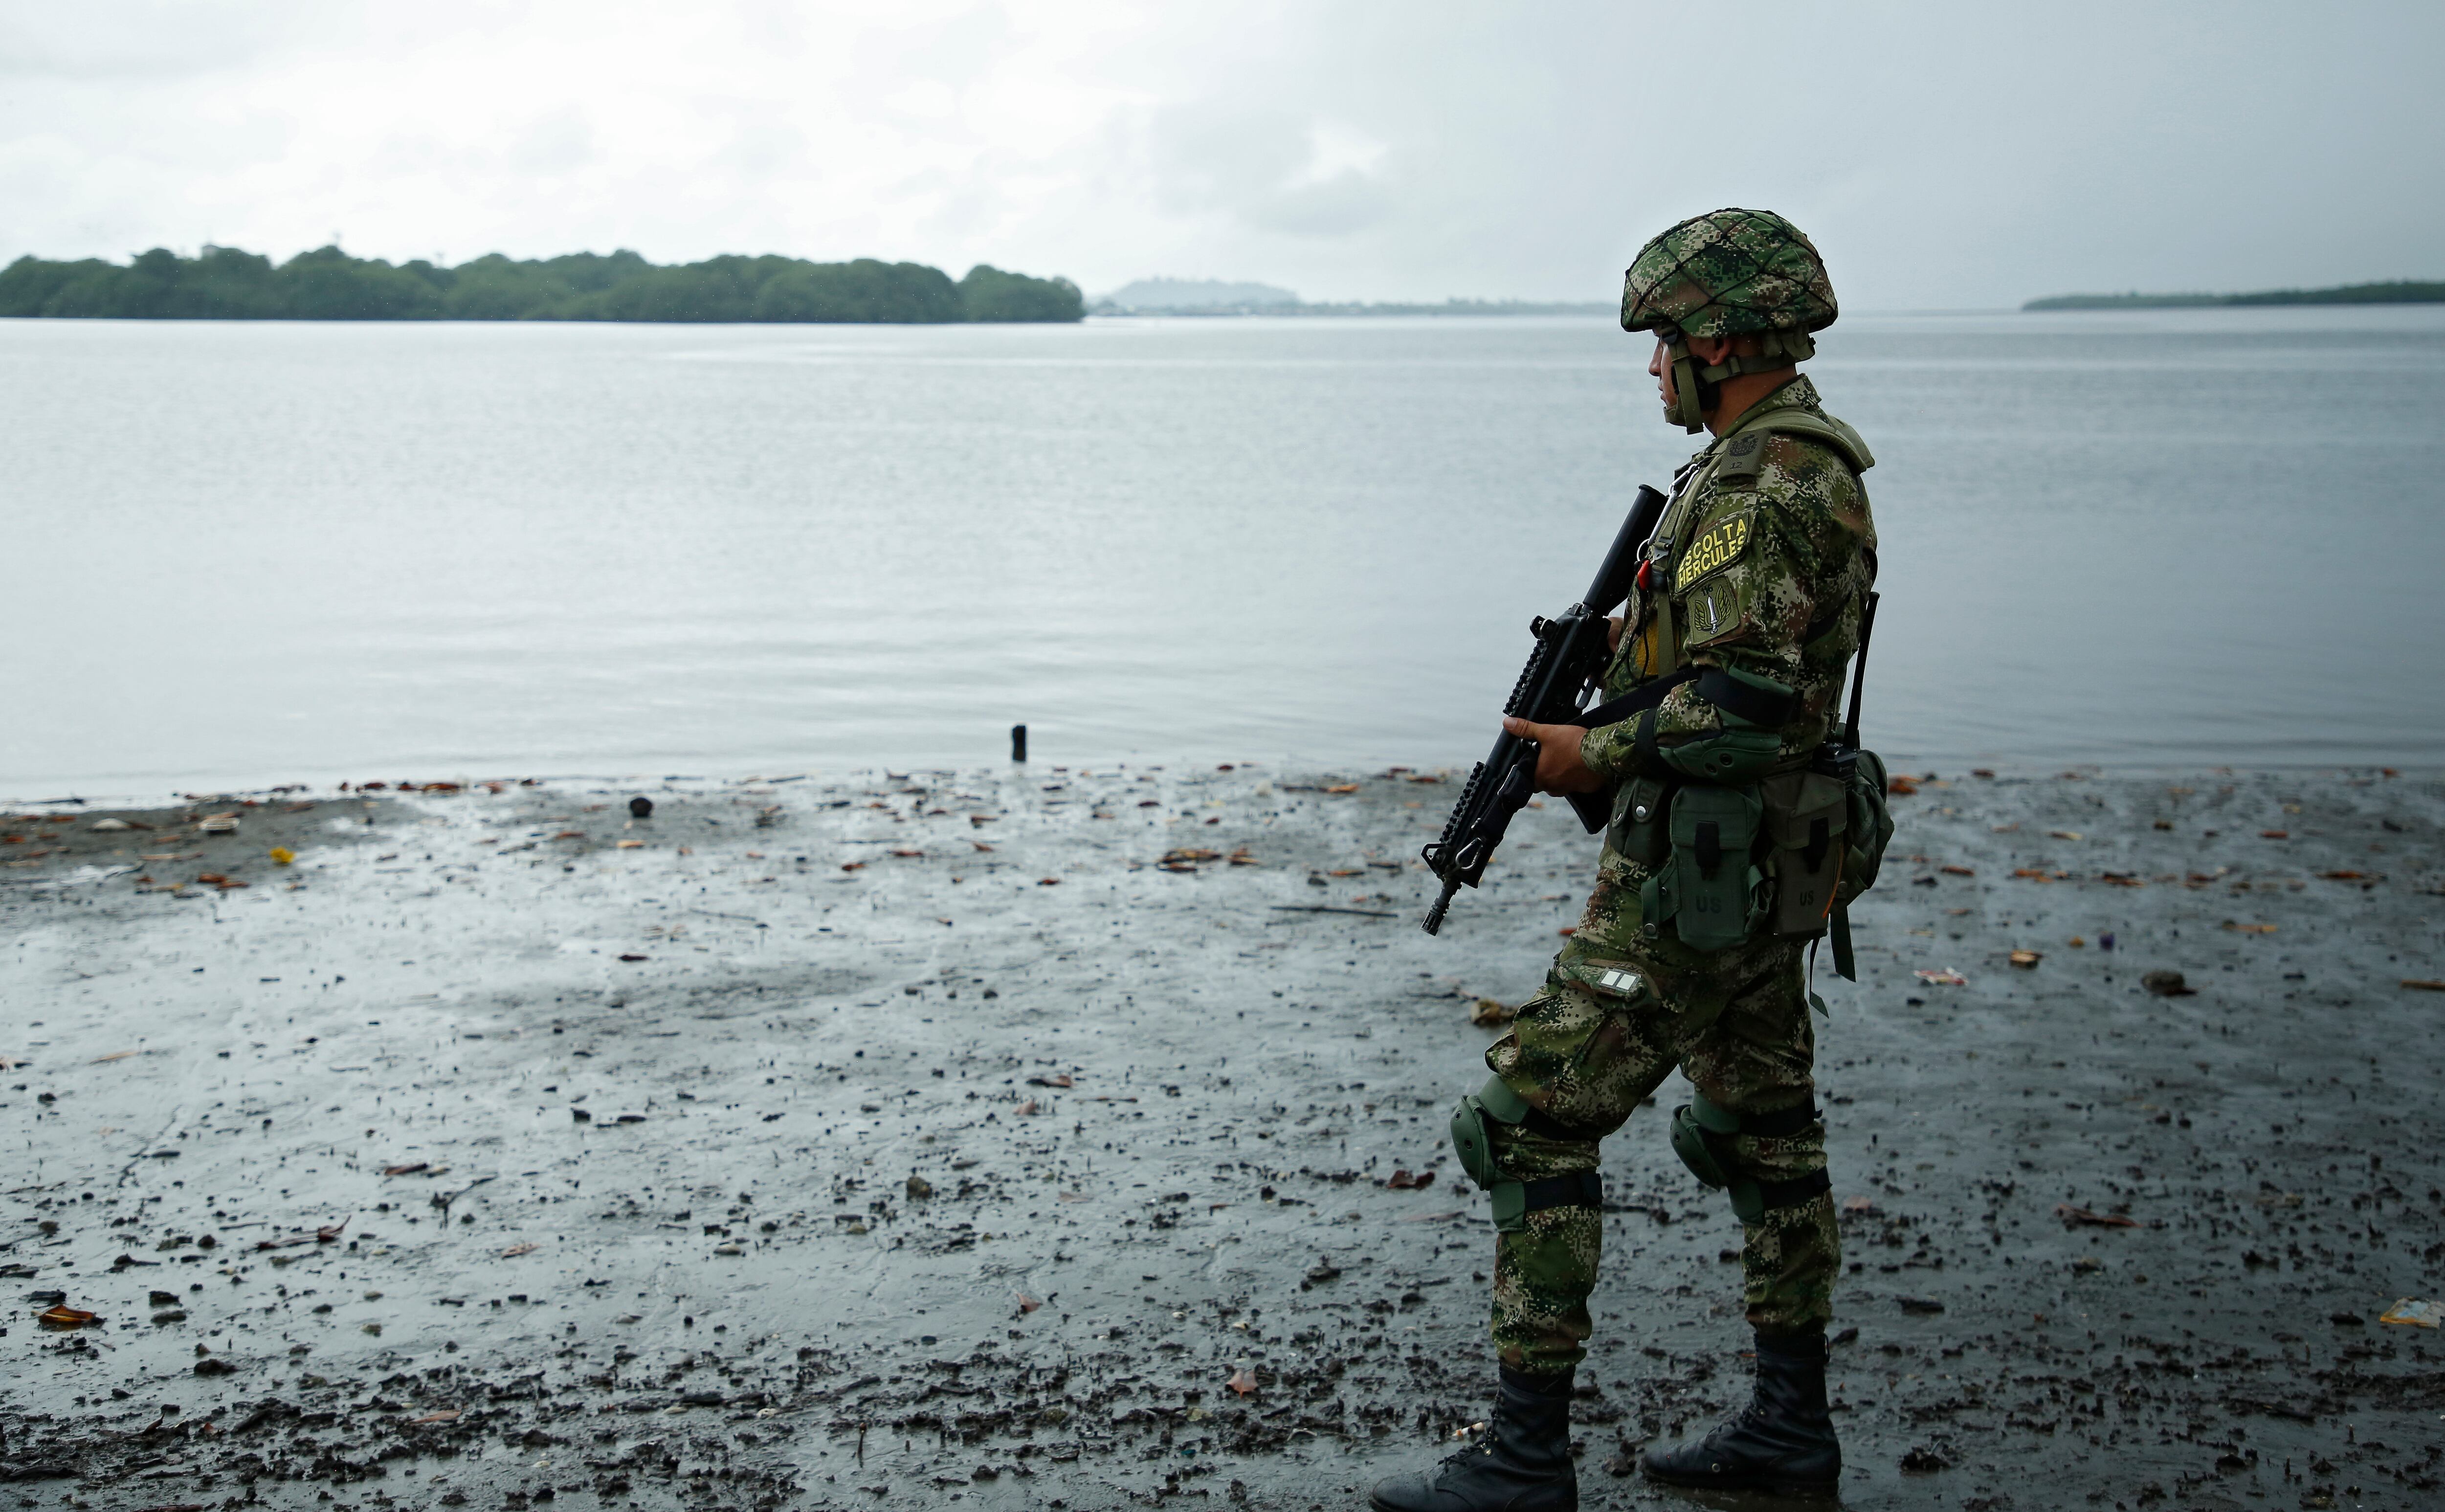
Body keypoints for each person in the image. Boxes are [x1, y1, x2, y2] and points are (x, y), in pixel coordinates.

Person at [1370, 207, 1879, 1510]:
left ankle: (1529, 1457)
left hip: (1702, 877)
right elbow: (1732, 662)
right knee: (1761, 1126)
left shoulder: (1768, 482)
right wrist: (1624, 648)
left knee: (1526, 1119)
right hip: (1763, 867)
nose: (1654, 365)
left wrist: (1578, 757)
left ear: (1719, 338)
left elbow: (1756, 706)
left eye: (1663, 341)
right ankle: (1789, 1430)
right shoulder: (1761, 465)